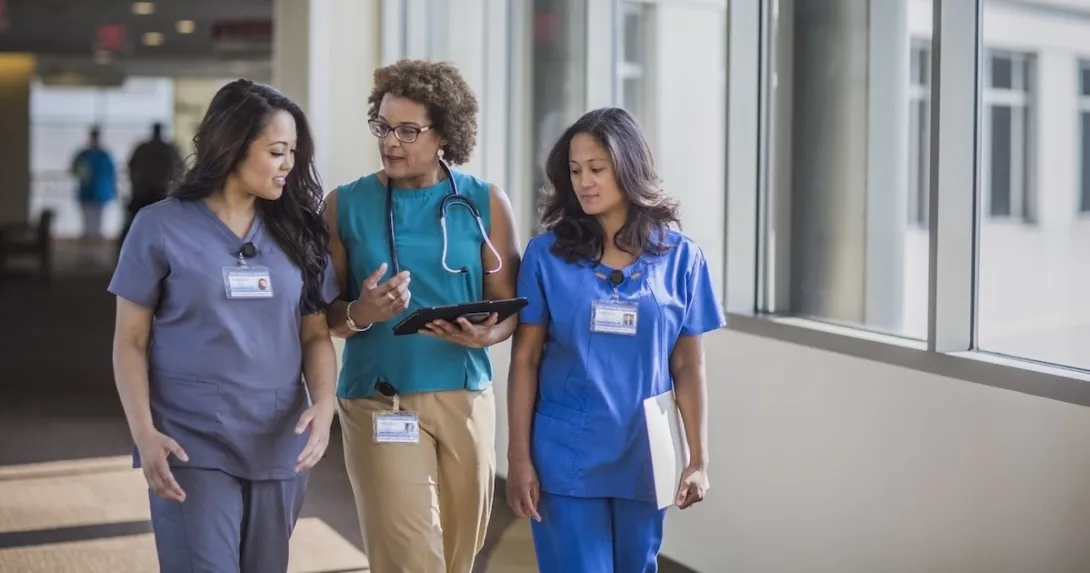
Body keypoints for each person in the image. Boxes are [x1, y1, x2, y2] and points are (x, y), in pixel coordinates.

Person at [109, 79, 340, 573]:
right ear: (233, 146)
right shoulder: (159, 226)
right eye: (277, 151)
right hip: (189, 437)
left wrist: (323, 406)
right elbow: (130, 342)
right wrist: (144, 433)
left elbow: (316, 334)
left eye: (294, 152)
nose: (289, 165)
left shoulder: (297, 230)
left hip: (278, 436)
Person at [505, 107, 726, 572]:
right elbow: (524, 359)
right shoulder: (547, 256)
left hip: (646, 452)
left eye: (596, 169)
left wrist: (699, 458)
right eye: (575, 170)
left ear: (628, 167)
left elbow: (689, 366)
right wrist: (518, 456)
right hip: (565, 453)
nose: (584, 181)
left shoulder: (683, 259)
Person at [324, 58, 521, 573]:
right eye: (383, 127)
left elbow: (510, 307)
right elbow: (324, 317)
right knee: (411, 555)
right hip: (379, 398)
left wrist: (487, 334)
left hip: (464, 392)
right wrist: (361, 312)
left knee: (461, 551)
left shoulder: (485, 203)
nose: (391, 141)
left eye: (408, 130)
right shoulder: (344, 205)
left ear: (444, 135)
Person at [122, 122, 185, 247]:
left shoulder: (143, 148)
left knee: (134, 228)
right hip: (161, 194)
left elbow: (131, 168)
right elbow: (179, 171)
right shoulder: (169, 149)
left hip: (144, 194)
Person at [70, 126, 117, 262]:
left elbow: (111, 175)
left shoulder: (103, 155)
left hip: (99, 195)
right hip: (88, 195)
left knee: (97, 226)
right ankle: (86, 256)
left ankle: (96, 255)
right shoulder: (86, 155)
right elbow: (75, 171)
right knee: (88, 226)